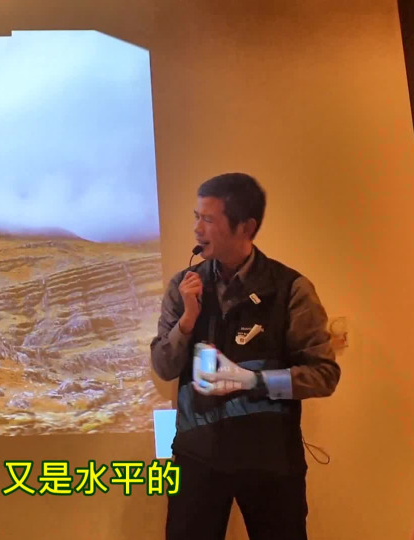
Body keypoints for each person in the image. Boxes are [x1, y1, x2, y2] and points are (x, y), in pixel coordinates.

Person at [150, 172, 341, 540]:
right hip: (195, 456)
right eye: (196, 217)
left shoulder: (290, 289)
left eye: (208, 219)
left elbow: (324, 375)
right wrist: (187, 320)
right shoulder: (183, 286)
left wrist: (253, 381)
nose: (197, 229)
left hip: (271, 460)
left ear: (246, 227)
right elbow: (163, 366)